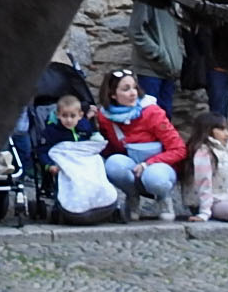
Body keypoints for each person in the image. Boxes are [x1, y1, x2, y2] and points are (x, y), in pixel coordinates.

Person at [91, 69, 187, 221]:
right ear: (113, 94)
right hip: (132, 164)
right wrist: (90, 125)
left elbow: (179, 149)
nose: (133, 93)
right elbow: (109, 150)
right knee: (113, 164)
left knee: (155, 178)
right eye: (126, 89)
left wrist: (148, 163)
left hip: (159, 166)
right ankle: (132, 196)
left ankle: (163, 198)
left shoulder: (152, 112)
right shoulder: (105, 116)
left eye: (134, 88)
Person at [40, 94, 120, 224]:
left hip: (84, 159)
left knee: (97, 165)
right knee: (69, 176)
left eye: (72, 116)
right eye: (64, 116)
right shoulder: (52, 132)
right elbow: (43, 151)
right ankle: (68, 204)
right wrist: (49, 165)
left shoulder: (84, 126)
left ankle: (101, 199)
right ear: (58, 115)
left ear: (80, 115)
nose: (69, 120)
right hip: (66, 161)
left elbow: (90, 144)